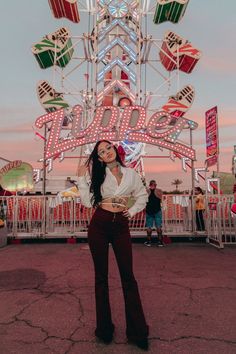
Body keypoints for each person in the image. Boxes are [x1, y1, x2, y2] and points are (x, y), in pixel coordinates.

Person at [77, 140, 149, 350]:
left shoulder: (131, 174)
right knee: (101, 277)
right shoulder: (98, 176)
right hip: (99, 224)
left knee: (128, 276)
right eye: (101, 152)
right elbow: (88, 202)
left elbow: (142, 195)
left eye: (108, 148)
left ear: (115, 150)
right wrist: (82, 177)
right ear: (98, 158)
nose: (106, 152)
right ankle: (104, 329)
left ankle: (138, 331)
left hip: (121, 226)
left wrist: (133, 211)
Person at [144, 180, 163, 247]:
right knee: (158, 226)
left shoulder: (146, 191)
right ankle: (160, 242)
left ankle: (149, 242)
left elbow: (144, 200)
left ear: (149, 185)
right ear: (155, 185)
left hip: (149, 211)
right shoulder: (159, 191)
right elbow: (161, 199)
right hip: (157, 210)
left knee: (149, 226)